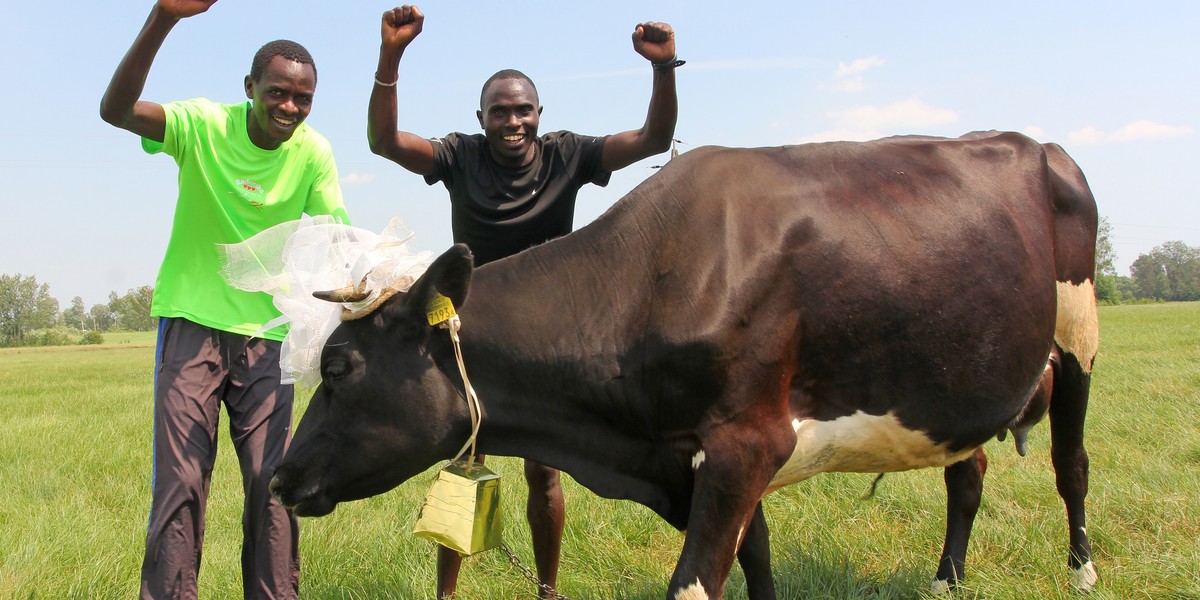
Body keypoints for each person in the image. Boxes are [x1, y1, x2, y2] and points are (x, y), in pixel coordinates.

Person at [366, 5, 679, 598]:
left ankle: (547, 590)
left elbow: (653, 140)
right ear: (480, 119)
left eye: (523, 110)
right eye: (500, 111)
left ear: (540, 114)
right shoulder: (460, 157)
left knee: (544, 469)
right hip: (470, 333)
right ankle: (447, 595)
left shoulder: (567, 154)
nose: (513, 121)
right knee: (464, 466)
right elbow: (384, 142)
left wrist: (663, 71)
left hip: (546, 334)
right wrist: (392, 55)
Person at [100, 1, 349, 598]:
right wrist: (164, 17)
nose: (290, 107)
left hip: (268, 336)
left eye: (303, 98)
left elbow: (335, 240)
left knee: (274, 481)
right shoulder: (202, 125)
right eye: (277, 93)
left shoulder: (313, 152)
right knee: (182, 481)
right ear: (250, 88)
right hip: (192, 324)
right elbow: (116, 111)